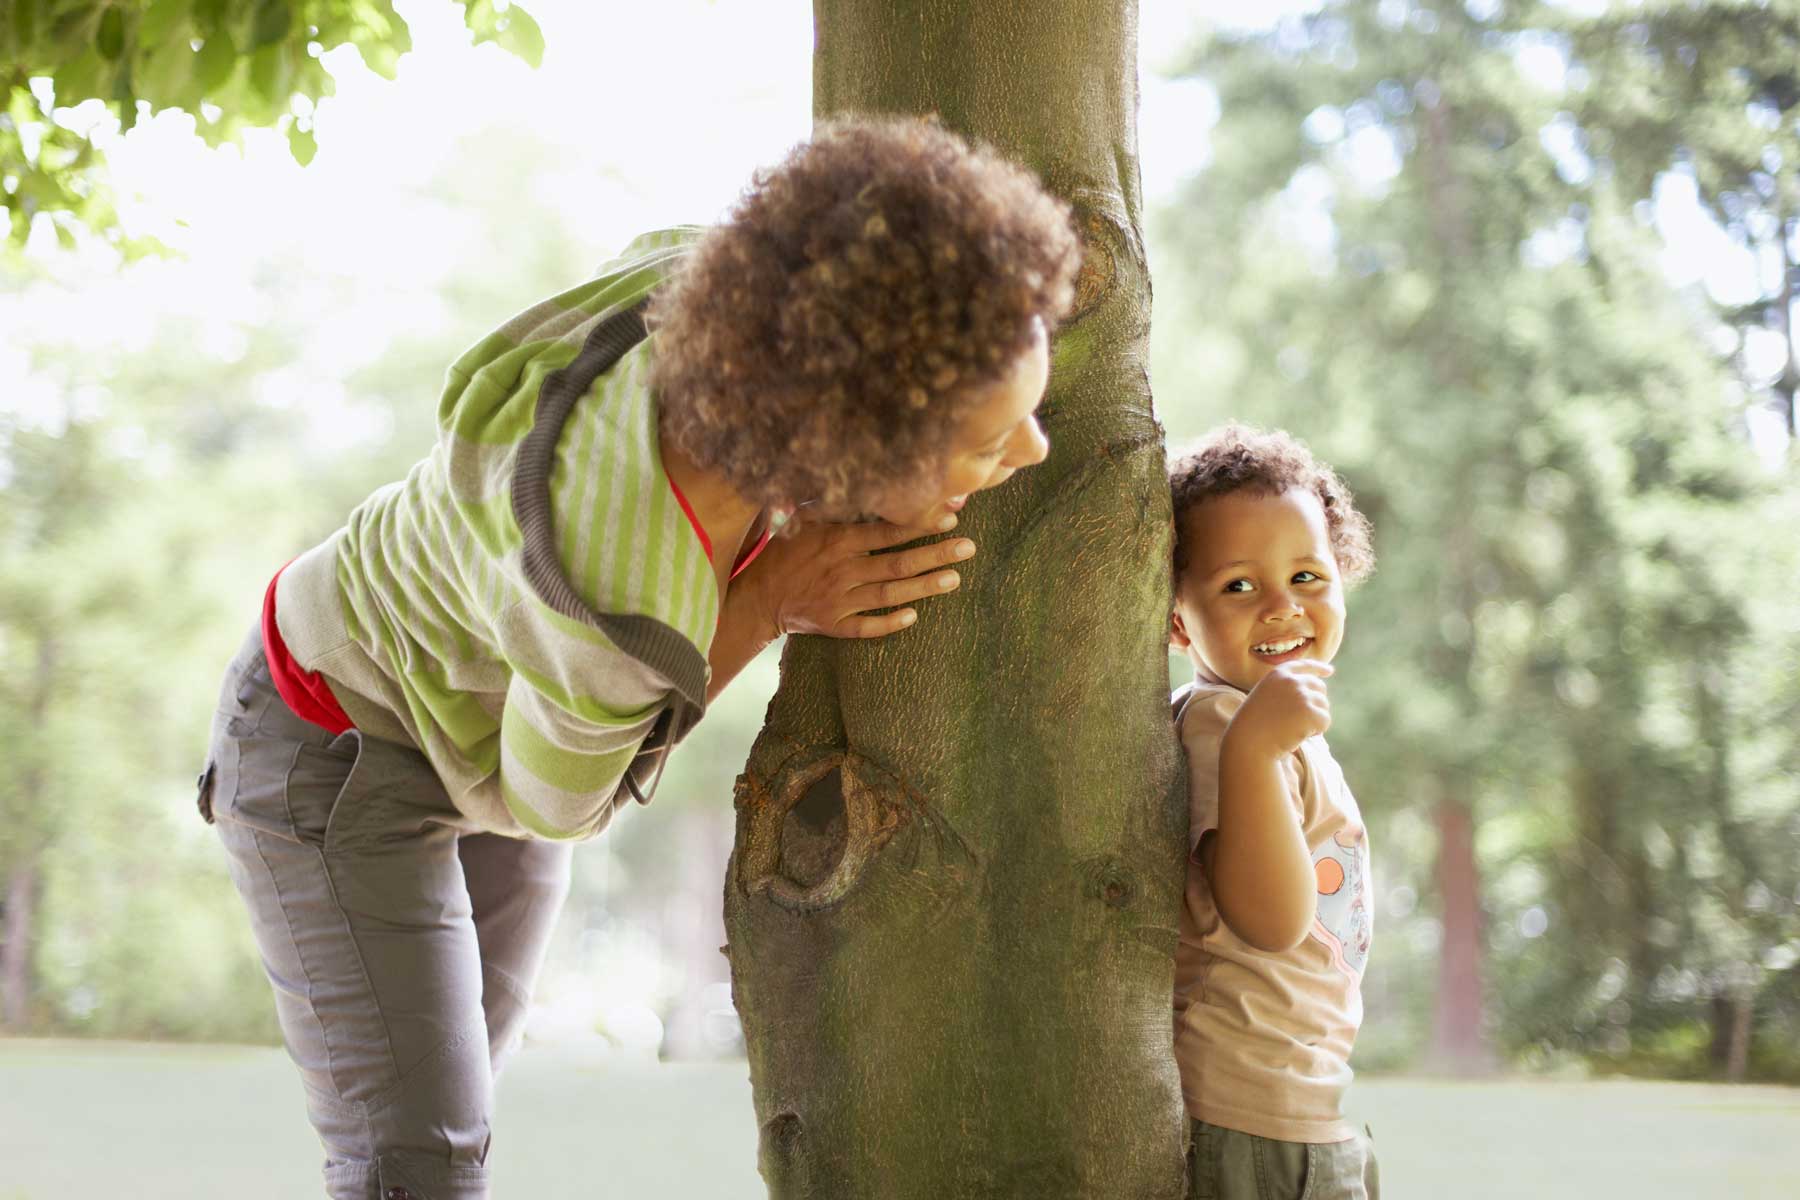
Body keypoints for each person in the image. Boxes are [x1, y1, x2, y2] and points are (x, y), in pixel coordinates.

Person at [195, 117, 1079, 1200]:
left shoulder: (724, 302)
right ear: (847, 443)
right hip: (333, 746)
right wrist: (765, 602)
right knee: (415, 1167)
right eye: (987, 441)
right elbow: (551, 803)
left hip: (491, 703)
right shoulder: (615, 595)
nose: (1032, 451)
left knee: (450, 1114)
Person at [1166, 425, 1381, 1200]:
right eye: (1239, 586)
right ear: (1178, 621)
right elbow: (1269, 919)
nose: (1283, 608)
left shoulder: (1268, 724)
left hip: (1299, 1105)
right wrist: (1256, 752)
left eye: (1307, 576)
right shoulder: (1226, 726)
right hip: (1251, 1111)